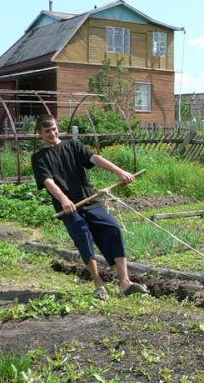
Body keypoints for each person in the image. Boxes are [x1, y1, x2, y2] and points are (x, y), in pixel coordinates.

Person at [31, 113, 148, 300]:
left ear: (57, 128)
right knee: (83, 234)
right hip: (69, 207)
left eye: (54, 129)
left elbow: (95, 158)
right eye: (47, 131)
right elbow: (48, 181)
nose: (52, 133)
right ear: (40, 134)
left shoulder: (72, 146)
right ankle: (98, 283)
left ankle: (125, 283)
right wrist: (63, 199)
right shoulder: (39, 158)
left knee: (113, 228)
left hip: (90, 200)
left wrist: (120, 171)